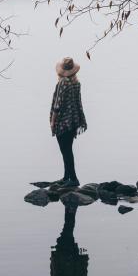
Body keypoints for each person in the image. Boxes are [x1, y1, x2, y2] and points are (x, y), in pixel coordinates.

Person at [50, 57, 87, 186]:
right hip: (73, 122)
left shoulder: (63, 83)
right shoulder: (76, 83)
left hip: (63, 123)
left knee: (65, 151)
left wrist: (53, 122)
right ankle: (66, 177)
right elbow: (79, 103)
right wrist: (81, 120)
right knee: (68, 150)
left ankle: (73, 179)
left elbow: (57, 105)